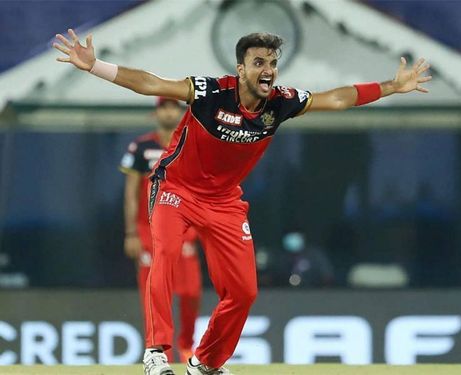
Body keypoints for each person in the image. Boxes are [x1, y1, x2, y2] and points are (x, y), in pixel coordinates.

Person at [53, 29, 432, 375]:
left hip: (224, 202)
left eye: (272, 63)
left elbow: (336, 99)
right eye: (259, 63)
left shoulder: (281, 103)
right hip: (176, 189)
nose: (268, 70)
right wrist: (95, 66)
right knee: (164, 255)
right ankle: (156, 352)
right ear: (240, 68)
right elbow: (152, 83)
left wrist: (391, 87)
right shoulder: (211, 91)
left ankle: (206, 362)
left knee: (244, 292)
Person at [119, 97, 202, 363]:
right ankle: (159, 352)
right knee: (153, 295)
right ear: (157, 112)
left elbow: (201, 187)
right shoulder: (142, 146)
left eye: (173, 107)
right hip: (148, 231)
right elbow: (131, 192)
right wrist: (131, 232)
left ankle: (186, 344)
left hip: (184, 228)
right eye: (164, 107)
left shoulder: (190, 143)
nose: (169, 112)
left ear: (179, 112)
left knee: (191, 292)